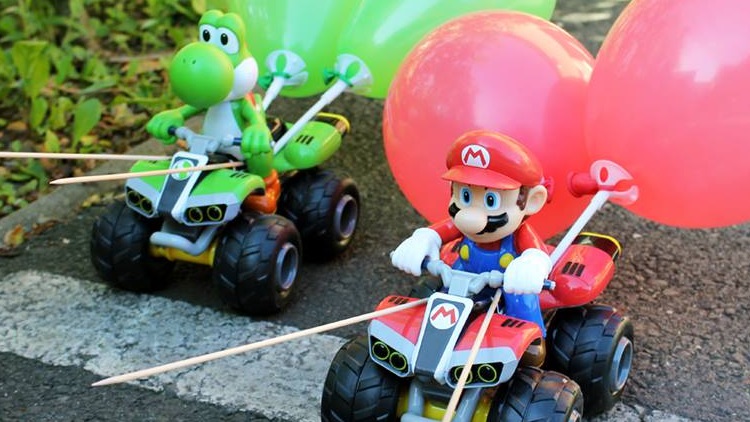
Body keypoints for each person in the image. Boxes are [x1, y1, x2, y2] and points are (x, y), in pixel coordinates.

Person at [391, 130, 552, 365]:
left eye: (490, 201)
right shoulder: (462, 225)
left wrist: (531, 264)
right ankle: (436, 338)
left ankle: (532, 338)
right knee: (443, 300)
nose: (469, 216)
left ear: (532, 200)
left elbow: (536, 253)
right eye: (464, 195)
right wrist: (423, 239)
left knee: (521, 299)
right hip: (462, 273)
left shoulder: (519, 233)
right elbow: (440, 231)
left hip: (506, 281)